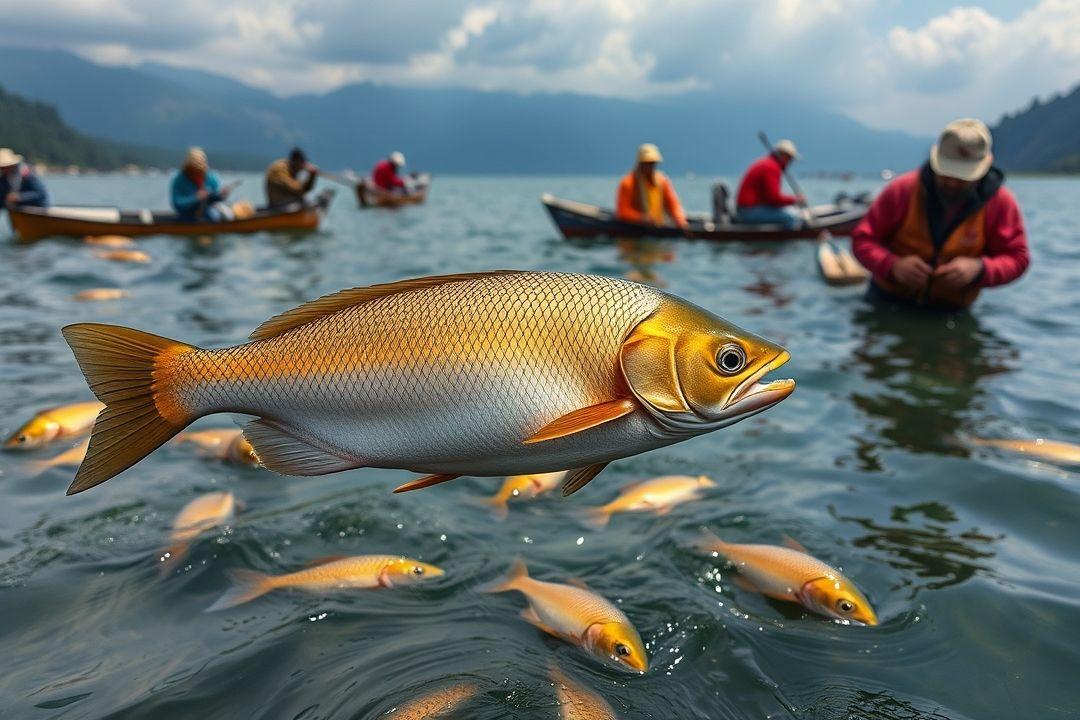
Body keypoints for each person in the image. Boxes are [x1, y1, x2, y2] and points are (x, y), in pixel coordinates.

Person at [852, 118, 1029, 310]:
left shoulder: (1001, 203)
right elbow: (862, 239)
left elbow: (1018, 258)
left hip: (952, 310)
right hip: (886, 301)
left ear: (984, 169)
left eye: (963, 177)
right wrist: (892, 265)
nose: (952, 183)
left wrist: (979, 269)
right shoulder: (902, 190)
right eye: (946, 173)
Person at [735, 139, 804, 229]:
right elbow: (773, 198)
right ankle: (784, 241)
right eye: (789, 158)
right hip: (748, 211)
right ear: (783, 155)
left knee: (792, 212)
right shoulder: (771, 167)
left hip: (747, 209)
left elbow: (769, 198)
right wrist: (795, 200)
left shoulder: (767, 163)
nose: (790, 162)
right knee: (792, 217)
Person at [615, 143, 687, 228]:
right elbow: (623, 211)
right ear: (640, 163)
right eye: (647, 163)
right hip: (636, 228)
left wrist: (680, 219)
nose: (650, 166)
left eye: (652, 163)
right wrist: (641, 218)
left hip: (658, 226)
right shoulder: (628, 183)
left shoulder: (662, 181)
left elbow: (674, 204)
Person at [171, 147, 233, 221]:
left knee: (221, 215)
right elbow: (177, 203)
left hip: (208, 214)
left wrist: (222, 195)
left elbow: (215, 199)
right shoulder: (179, 180)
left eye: (200, 171)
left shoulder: (211, 177)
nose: (197, 173)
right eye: (193, 170)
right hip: (186, 216)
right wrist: (196, 198)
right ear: (188, 168)